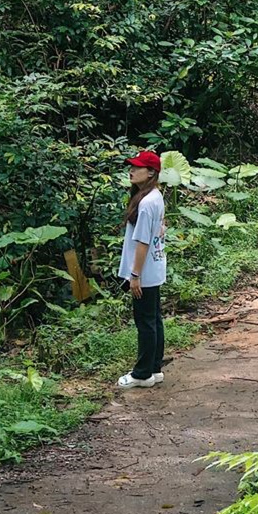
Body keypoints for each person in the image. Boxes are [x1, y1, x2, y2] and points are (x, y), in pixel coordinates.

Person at [116, 149, 166, 389]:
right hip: (154, 268)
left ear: (150, 172)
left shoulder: (145, 204)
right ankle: (155, 368)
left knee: (145, 322)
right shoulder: (155, 196)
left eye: (137, 167)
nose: (131, 171)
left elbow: (143, 242)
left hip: (144, 271)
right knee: (154, 319)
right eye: (131, 166)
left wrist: (134, 275)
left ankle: (142, 373)